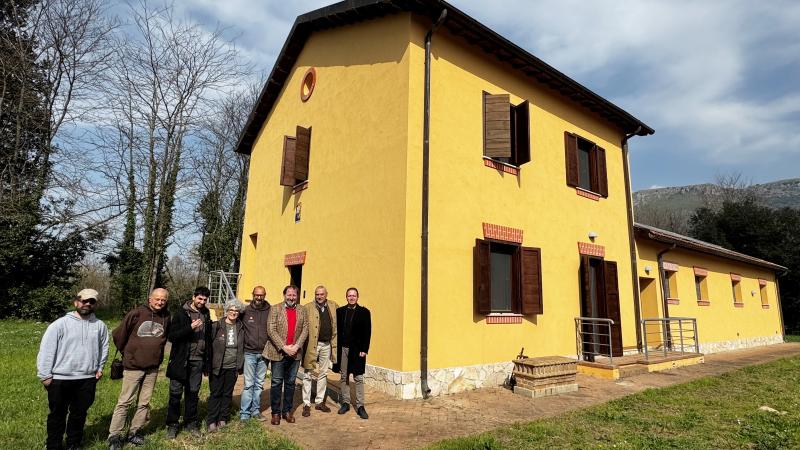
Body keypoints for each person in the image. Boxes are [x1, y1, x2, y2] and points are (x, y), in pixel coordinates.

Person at [37, 288, 109, 450]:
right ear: (76, 302)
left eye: (92, 302)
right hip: (60, 379)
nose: (87, 304)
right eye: (84, 301)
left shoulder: (100, 326)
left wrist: (99, 367)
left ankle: (73, 444)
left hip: (87, 379)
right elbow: (47, 350)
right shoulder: (60, 324)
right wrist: (45, 375)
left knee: (79, 414)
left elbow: (104, 347)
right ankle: (53, 445)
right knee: (57, 415)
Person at [108, 288, 171, 450]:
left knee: (144, 402)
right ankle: (114, 435)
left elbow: (164, 338)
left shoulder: (166, 316)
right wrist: (128, 353)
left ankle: (134, 432)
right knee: (124, 402)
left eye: (163, 300)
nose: (160, 302)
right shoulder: (136, 314)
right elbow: (118, 335)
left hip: (152, 368)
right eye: (157, 299)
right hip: (133, 366)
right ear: (150, 299)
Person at [165, 287, 213, 439]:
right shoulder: (181, 313)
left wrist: (207, 364)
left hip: (197, 361)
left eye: (205, 300)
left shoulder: (206, 313)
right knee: (175, 393)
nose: (202, 302)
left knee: (193, 394)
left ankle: (190, 423)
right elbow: (172, 336)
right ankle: (172, 424)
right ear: (193, 297)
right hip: (180, 360)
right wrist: (190, 327)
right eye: (200, 298)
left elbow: (208, 339)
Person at [264, 285, 308, 425]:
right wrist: (283, 347)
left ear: (297, 296)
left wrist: (296, 346)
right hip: (279, 352)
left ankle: (287, 412)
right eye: (289, 295)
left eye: (294, 295)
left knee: (290, 383)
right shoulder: (275, 308)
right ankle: (275, 413)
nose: (291, 297)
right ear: (284, 295)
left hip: (295, 353)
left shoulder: (302, 310)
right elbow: (271, 329)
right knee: (276, 383)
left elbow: (306, 329)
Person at [206, 300, 245, 432]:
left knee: (227, 394)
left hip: (232, 366)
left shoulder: (241, 327)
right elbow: (208, 347)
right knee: (215, 393)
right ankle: (212, 420)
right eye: (231, 310)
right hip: (217, 366)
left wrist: (240, 365)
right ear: (226, 311)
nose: (234, 313)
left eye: (236, 311)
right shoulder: (216, 326)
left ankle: (223, 418)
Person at [301, 285, 338, 417]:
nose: (319, 296)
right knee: (308, 373)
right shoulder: (307, 308)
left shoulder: (334, 306)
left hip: (327, 345)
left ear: (326, 294)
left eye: (322, 294)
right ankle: (306, 403)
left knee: (323, 373)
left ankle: (319, 401)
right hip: (312, 345)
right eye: (317, 294)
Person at [335, 287, 372, 420]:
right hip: (343, 349)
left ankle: (360, 406)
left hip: (357, 350)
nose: (351, 298)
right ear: (346, 297)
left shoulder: (364, 312)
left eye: (354, 295)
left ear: (357, 297)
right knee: (344, 376)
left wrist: (364, 349)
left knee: (358, 377)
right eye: (349, 295)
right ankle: (345, 403)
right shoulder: (340, 312)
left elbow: (367, 332)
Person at [240, 285, 271, 420]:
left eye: (261, 295)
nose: (259, 297)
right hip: (249, 353)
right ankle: (245, 413)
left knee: (259, 384)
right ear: (253, 294)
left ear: (265, 295)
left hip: (264, 353)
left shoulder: (271, 310)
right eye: (256, 295)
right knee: (248, 385)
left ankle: (255, 411)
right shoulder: (245, 311)